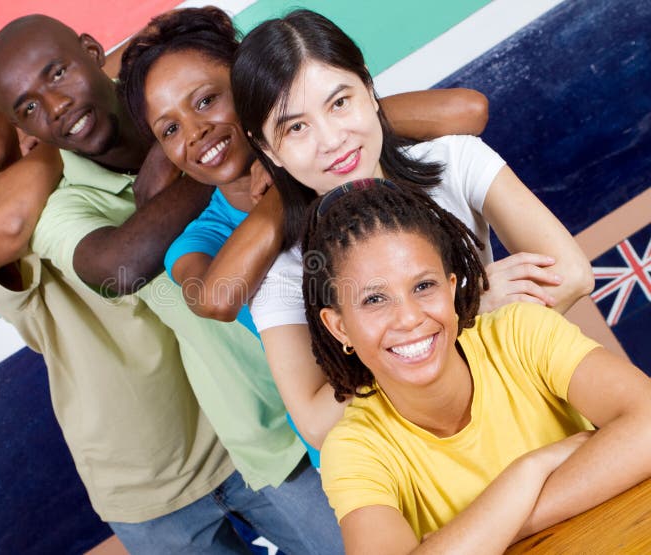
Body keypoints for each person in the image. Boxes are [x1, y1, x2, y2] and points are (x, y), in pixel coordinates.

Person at [0, 40, 309, 554]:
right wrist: (230, 152)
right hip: (147, 481)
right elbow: (19, 225)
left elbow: (151, 57)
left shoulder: (91, 130)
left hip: (240, 424)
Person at [0, 15, 350, 552]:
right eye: (29, 108)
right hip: (273, 431)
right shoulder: (65, 203)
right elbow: (121, 270)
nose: (55, 105)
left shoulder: (202, 92)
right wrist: (218, 155)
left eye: (57, 72)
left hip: (364, 367)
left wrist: (197, 150)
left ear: (92, 49)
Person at [118, 6, 489, 458]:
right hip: (359, 436)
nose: (195, 132)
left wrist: (301, 145)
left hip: (466, 381)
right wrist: (286, 186)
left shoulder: (336, 149)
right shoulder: (201, 239)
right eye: (170, 128)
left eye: (206, 100)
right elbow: (216, 297)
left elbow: (468, 108)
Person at [228, 9, 594, 448]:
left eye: (340, 102)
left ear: (368, 88)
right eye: (297, 127)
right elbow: (316, 423)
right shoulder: (286, 271)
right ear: (269, 149)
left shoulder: (455, 163)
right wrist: (471, 306)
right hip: (427, 471)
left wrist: (398, 360)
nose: (331, 139)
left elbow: (571, 275)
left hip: (542, 417)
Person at [300, 178, 651, 554]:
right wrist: (529, 470)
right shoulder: (355, 447)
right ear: (339, 327)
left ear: (452, 289)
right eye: (374, 300)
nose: (408, 318)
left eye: (423, 287)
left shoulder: (520, 332)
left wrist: (502, 526)